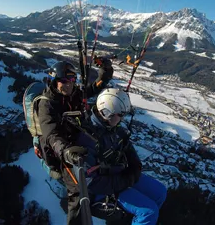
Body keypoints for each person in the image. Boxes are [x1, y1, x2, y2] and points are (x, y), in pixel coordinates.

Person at [63, 88, 167, 225]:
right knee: (148, 211)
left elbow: (124, 143)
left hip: (117, 175)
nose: (122, 119)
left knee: (160, 192)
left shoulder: (110, 126)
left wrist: (135, 165)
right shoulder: (87, 140)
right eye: (120, 115)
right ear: (107, 113)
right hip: (102, 189)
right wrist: (126, 180)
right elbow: (90, 183)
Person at [37, 59, 113, 224]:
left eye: (72, 80)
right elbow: (51, 135)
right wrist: (66, 151)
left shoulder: (74, 94)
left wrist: (105, 73)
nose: (69, 84)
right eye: (64, 81)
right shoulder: (47, 104)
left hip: (78, 141)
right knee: (78, 191)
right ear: (54, 81)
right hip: (62, 152)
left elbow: (93, 88)